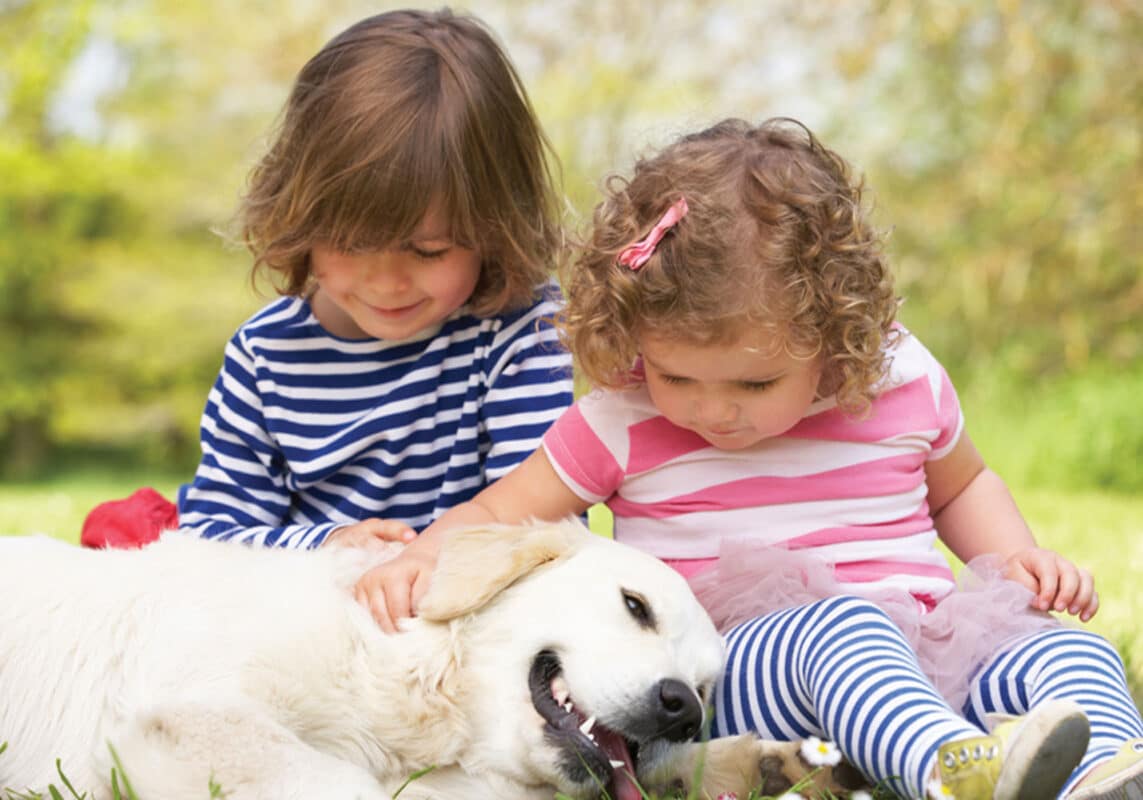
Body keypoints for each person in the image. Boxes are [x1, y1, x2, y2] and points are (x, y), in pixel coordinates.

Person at [357, 118, 1143, 799]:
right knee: (843, 633)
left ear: (835, 334)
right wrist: (425, 558)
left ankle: (1105, 772)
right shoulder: (620, 419)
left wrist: (1016, 560)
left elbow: (961, 483)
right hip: (735, 671)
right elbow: (502, 509)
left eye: (755, 381)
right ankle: (950, 770)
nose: (711, 408)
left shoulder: (899, 381)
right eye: (675, 376)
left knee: (1061, 646)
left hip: (932, 641)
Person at [81, 9, 574, 556]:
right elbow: (212, 540)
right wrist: (330, 548)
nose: (387, 282)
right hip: (309, 617)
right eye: (352, 243)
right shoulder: (265, 355)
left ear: (495, 223)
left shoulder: (518, 329)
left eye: (428, 250)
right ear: (302, 217)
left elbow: (543, 518)